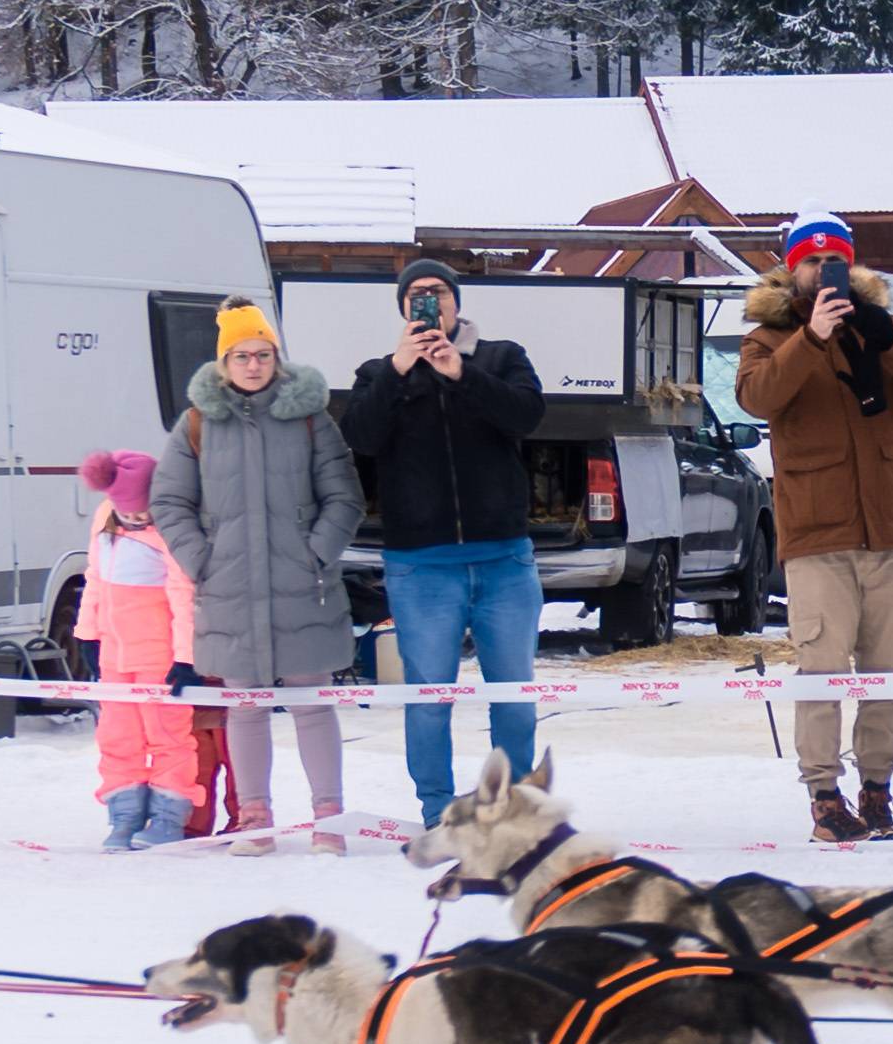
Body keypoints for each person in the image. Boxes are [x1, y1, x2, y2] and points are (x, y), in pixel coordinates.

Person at [732, 208, 893, 845]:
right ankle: (825, 796)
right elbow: (757, 398)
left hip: (888, 526)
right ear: (791, 269)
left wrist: (886, 336)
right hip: (818, 532)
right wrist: (812, 338)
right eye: (811, 262)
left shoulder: (883, 326)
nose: (824, 273)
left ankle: (878, 790)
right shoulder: (770, 337)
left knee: (889, 671)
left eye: (835, 262)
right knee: (822, 669)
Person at [340, 263, 547, 824]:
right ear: (404, 311)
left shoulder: (501, 357)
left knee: (514, 698)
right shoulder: (377, 372)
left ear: (456, 303)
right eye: (416, 297)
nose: (428, 304)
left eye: (437, 294)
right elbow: (359, 436)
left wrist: (463, 374)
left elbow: (526, 416)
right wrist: (398, 372)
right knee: (428, 698)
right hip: (421, 565)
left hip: (503, 558)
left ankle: (514, 805)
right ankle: (437, 808)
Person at [166, 300, 364, 843]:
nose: (253, 365)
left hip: (304, 586)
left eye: (263, 354)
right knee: (245, 708)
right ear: (223, 361)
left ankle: (330, 818)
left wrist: (317, 551)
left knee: (313, 705)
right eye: (241, 355)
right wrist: (201, 560)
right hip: (229, 587)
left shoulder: (309, 419)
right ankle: (254, 818)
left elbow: (344, 496)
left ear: (277, 358)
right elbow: (170, 502)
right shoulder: (197, 423)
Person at [74, 446, 200, 850]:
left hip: (158, 654)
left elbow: (183, 596)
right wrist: (86, 633)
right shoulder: (104, 521)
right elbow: (94, 577)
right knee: (117, 736)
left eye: (144, 513)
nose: (136, 520)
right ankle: (123, 815)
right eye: (129, 514)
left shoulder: (170, 533)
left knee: (168, 735)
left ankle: (167, 817)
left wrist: (185, 657)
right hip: (114, 652)